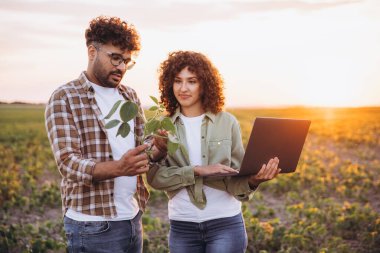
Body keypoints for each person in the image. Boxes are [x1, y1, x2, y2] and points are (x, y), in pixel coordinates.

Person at [45, 16, 166, 253]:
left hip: (132, 217)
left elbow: (143, 149)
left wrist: (158, 149)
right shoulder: (65, 97)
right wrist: (120, 168)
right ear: (92, 52)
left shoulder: (129, 96)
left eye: (127, 62)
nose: (121, 67)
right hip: (91, 224)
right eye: (115, 58)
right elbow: (68, 163)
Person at [147, 51, 281, 253]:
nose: (183, 88)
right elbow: (155, 179)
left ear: (204, 85)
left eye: (191, 81)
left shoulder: (227, 122)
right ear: (169, 84)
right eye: (177, 81)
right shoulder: (161, 127)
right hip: (183, 226)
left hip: (225, 223)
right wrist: (198, 170)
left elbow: (236, 178)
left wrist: (254, 181)